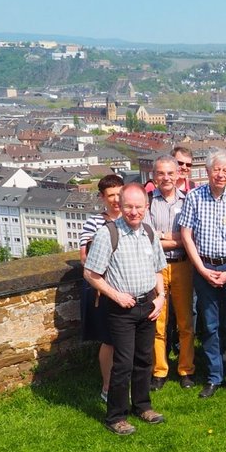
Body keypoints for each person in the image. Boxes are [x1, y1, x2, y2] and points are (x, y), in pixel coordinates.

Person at [83, 184, 167, 436]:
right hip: (122, 308)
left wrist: (161, 298)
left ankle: (142, 406)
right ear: (120, 205)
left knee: (145, 360)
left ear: (146, 207)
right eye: (128, 206)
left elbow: (157, 270)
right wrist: (116, 295)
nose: (133, 212)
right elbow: (91, 273)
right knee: (123, 363)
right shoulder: (108, 234)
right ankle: (116, 417)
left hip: (147, 305)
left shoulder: (149, 234)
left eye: (138, 207)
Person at [178, 148, 226, 399]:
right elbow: (186, 235)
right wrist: (201, 268)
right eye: (216, 169)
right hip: (204, 269)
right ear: (208, 171)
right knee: (210, 326)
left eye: (225, 170)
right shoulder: (194, 197)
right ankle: (213, 377)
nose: (220, 174)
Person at [144, 156, 196, 390]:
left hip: (183, 266)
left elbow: (192, 237)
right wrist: (178, 238)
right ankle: (159, 371)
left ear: (178, 175)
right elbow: (147, 238)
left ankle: (186, 370)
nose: (166, 178)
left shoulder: (189, 200)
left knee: (185, 321)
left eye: (170, 173)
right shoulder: (147, 202)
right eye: (161, 174)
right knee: (159, 322)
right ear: (154, 177)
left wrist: (164, 236)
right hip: (157, 268)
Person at [79, 173, 124, 402]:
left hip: (128, 288)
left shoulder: (132, 217)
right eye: (111, 195)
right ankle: (107, 387)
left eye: (119, 194)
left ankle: (125, 382)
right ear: (102, 197)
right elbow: (85, 258)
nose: (116, 199)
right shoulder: (94, 222)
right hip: (104, 289)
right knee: (109, 340)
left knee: (126, 341)